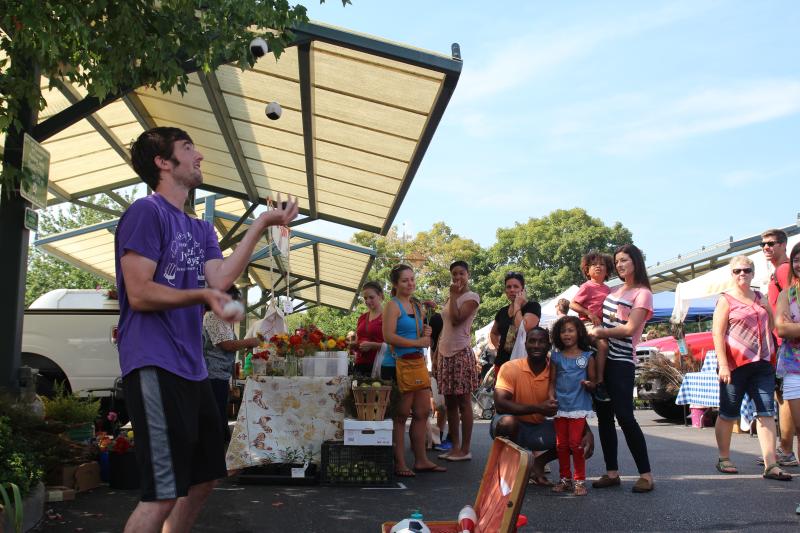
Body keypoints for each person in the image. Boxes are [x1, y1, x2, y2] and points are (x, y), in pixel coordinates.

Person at [115, 126, 298, 532]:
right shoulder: (147, 212)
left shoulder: (201, 229)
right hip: (153, 362)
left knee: (203, 479)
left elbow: (220, 278)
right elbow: (140, 293)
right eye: (187, 148)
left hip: (193, 369)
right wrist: (201, 297)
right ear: (163, 162)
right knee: (162, 491)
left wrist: (263, 222)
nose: (198, 155)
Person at [712, 255, 790, 481]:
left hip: (763, 363)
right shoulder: (726, 299)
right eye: (737, 271)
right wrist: (723, 364)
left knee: (766, 412)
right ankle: (724, 457)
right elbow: (717, 333)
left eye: (746, 270)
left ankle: (770, 464)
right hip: (736, 364)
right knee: (728, 412)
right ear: (732, 274)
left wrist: (769, 309)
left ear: (753, 273)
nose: (742, 274)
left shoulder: (760, 297)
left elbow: (775, 327)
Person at [491, 327, 593, 487]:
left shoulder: (559, 372)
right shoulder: (510, 368)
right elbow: (500, 404)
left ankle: (537, 464)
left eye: (541, 341)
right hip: (514, 426)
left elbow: (570, 404)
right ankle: (504, 471)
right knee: (507, 423)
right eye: (532, 341)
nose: (536, 345)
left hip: (540, 428)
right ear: (525, 344)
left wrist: (587, 431)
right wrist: (539, 408)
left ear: (549, 345)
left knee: (577, 436)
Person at [591, 244, 655, 493]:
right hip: (602, 359)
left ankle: (646, 475)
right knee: (604, 419)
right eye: (616, 261)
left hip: (622, 362)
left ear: (636, 262)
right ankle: (612, 472)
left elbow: (629, 329)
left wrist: (600, 332)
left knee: (626, 417)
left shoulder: (643, 293)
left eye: (624, 260)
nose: (619, 265)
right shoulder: (615, 291)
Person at [382, 264, 446, 477]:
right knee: (400, 416)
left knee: (422, 412)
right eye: (404, 280)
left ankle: (421, 460)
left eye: (412, 279)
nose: (409, 283)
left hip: (417, 363)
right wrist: (417, 340)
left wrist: (425, 331)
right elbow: (389, 337)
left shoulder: (417, 306)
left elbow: (420, 335)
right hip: (398, 364)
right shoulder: (392, 306)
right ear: (395, 284)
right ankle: (400, 463)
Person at [434, 261, 481, 462]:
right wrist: (436, 354)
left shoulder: (472, 298)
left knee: (463, 402)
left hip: (461, 353)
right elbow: (445, 328)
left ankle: (466, 448)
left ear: (468, 274)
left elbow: (455, 320)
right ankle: (454, 447)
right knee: (449, 403)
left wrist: (453, 296)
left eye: (461, 273)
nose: (457, 277)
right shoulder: (450, 297)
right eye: (454, 274)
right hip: (444, 353)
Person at [202, 285, 260, 442]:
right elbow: (226, 344)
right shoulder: (213, 317)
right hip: (213, 374)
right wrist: (249, 341)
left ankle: (221, 444)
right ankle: (217, 448)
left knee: (220, 411)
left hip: (221, 373)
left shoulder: (222, 319)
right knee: (216, 413)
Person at [762, 228, 798, 467]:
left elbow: (783, 322)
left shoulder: (784, 270)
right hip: (786, 347)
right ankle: (785, 448)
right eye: (762, 244)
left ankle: (786, 448)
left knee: (784, 397)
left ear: (783, 245)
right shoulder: (781, 276)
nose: (766, 247)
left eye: (771, 243)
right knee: (784, 395)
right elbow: (782, 325)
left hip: (785, 348)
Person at [548, 316, 596, 496]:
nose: (566, 334)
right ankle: (565, 479)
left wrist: (589, 385)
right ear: (558, 335)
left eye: (571, 330)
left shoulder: (587, 356)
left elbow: (593, 382)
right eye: (563, 331)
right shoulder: (556, 357)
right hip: (560, 406)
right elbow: (552, 381)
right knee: (561, 445)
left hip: (578, 406)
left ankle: (579, 480)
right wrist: (551, 397)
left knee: (576, 444)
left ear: (579, 333)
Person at [775, 242, 800, 512]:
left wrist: (795, 328)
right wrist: (789, 328)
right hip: (794, 369)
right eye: (796, 259)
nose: (799, 264)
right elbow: (780, 327)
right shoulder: (787, 293)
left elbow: (789, 326)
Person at [570, 251, 613, 402]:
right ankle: (600, 382)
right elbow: (572, 304)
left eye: (602, 264)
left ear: (607, 269)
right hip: (587, 324)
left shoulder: (609, 290)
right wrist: (589, 313)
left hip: (603, 326)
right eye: (594, 265)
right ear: (587, 270)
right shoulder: (587, 286)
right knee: (603, 344)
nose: (598, 267)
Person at [490, 272, 541, 370]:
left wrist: (517, 305)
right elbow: (493, 333)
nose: (512, 290)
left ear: (522, 289)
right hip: (502, 364)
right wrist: (497, 346)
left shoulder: (533, 307)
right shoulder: (502, 311)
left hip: (524, 363)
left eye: (516, 286)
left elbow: (523, 328)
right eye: (508, 287)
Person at [353, 281, 384, 377]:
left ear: (381, 296)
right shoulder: (362, 317)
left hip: (379, 365)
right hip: (360, 364)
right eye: (365, 298)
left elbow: (393, 345)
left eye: (371, 297)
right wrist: (354, 345)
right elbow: (358, 341)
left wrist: (373, 345)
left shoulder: (388, 316)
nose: (367, 301)